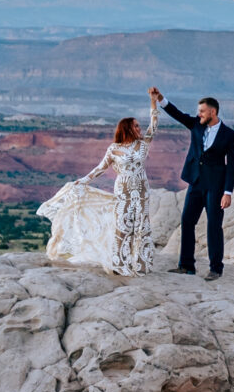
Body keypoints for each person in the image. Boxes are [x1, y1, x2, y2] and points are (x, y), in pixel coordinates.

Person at [38, 91, 159, 274]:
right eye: (136, 126)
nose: (139, 129)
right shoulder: (114, 149)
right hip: (123, 190)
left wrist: (153, 102)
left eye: (139, 126)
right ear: (127, 128)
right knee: (123, 226)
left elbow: (154, 124)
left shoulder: (143, 144)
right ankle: (121, 266)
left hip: (142, 189)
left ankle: (141, 265)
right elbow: (101, 168)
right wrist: (83, 181)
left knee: (142, 225)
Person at [153, 88, 234, 278]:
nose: (199, 114)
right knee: (187, 221)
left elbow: (232, 165)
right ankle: (186, 265)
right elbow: (178, 115)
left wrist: (227, 192)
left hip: (215, 187)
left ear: (213, 112)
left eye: (202, 111)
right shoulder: (196, 125)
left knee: (214, 225)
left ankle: (216, 268)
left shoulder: (229, 135)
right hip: (196, 182)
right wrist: (161, 99)